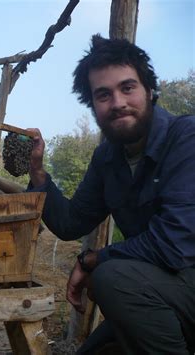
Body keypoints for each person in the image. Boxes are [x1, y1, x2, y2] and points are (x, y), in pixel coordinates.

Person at [27, 34, 195, 354]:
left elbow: (175, 244)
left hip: (183, 282)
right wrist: (37, 172)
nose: (117, 103)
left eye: (127, 88)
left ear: (149, 90)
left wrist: (93, 259)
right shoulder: (108, 157)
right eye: (103, 95)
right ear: (92, 106)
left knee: (111, 277)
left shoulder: (186, 138)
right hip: (159, 293)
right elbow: (71, 222)